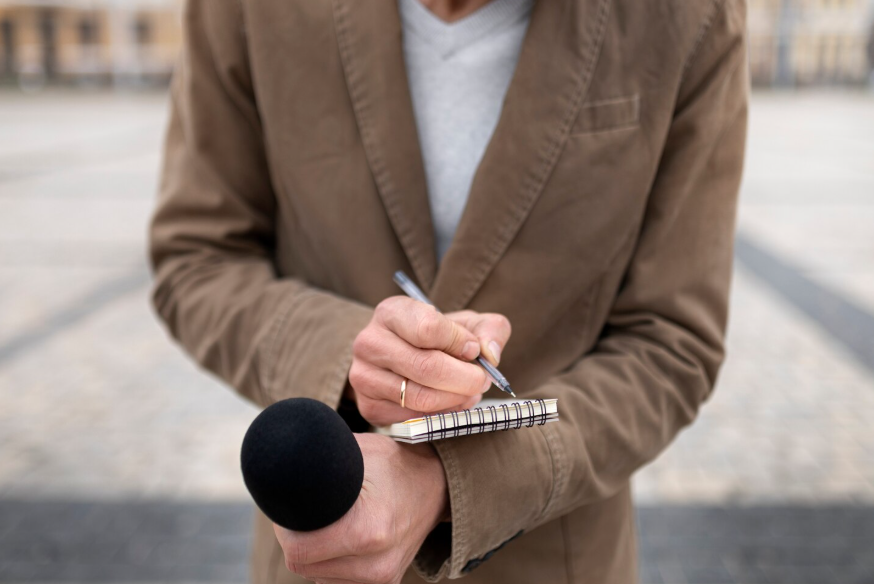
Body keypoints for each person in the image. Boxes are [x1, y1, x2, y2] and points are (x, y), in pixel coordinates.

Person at [148, 0, 748, 582]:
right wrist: (349, 355)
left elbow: (672, 339)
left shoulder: (691, 15)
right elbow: (199, 259)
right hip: (319, 551)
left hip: (553, 559)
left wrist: (454, 482)